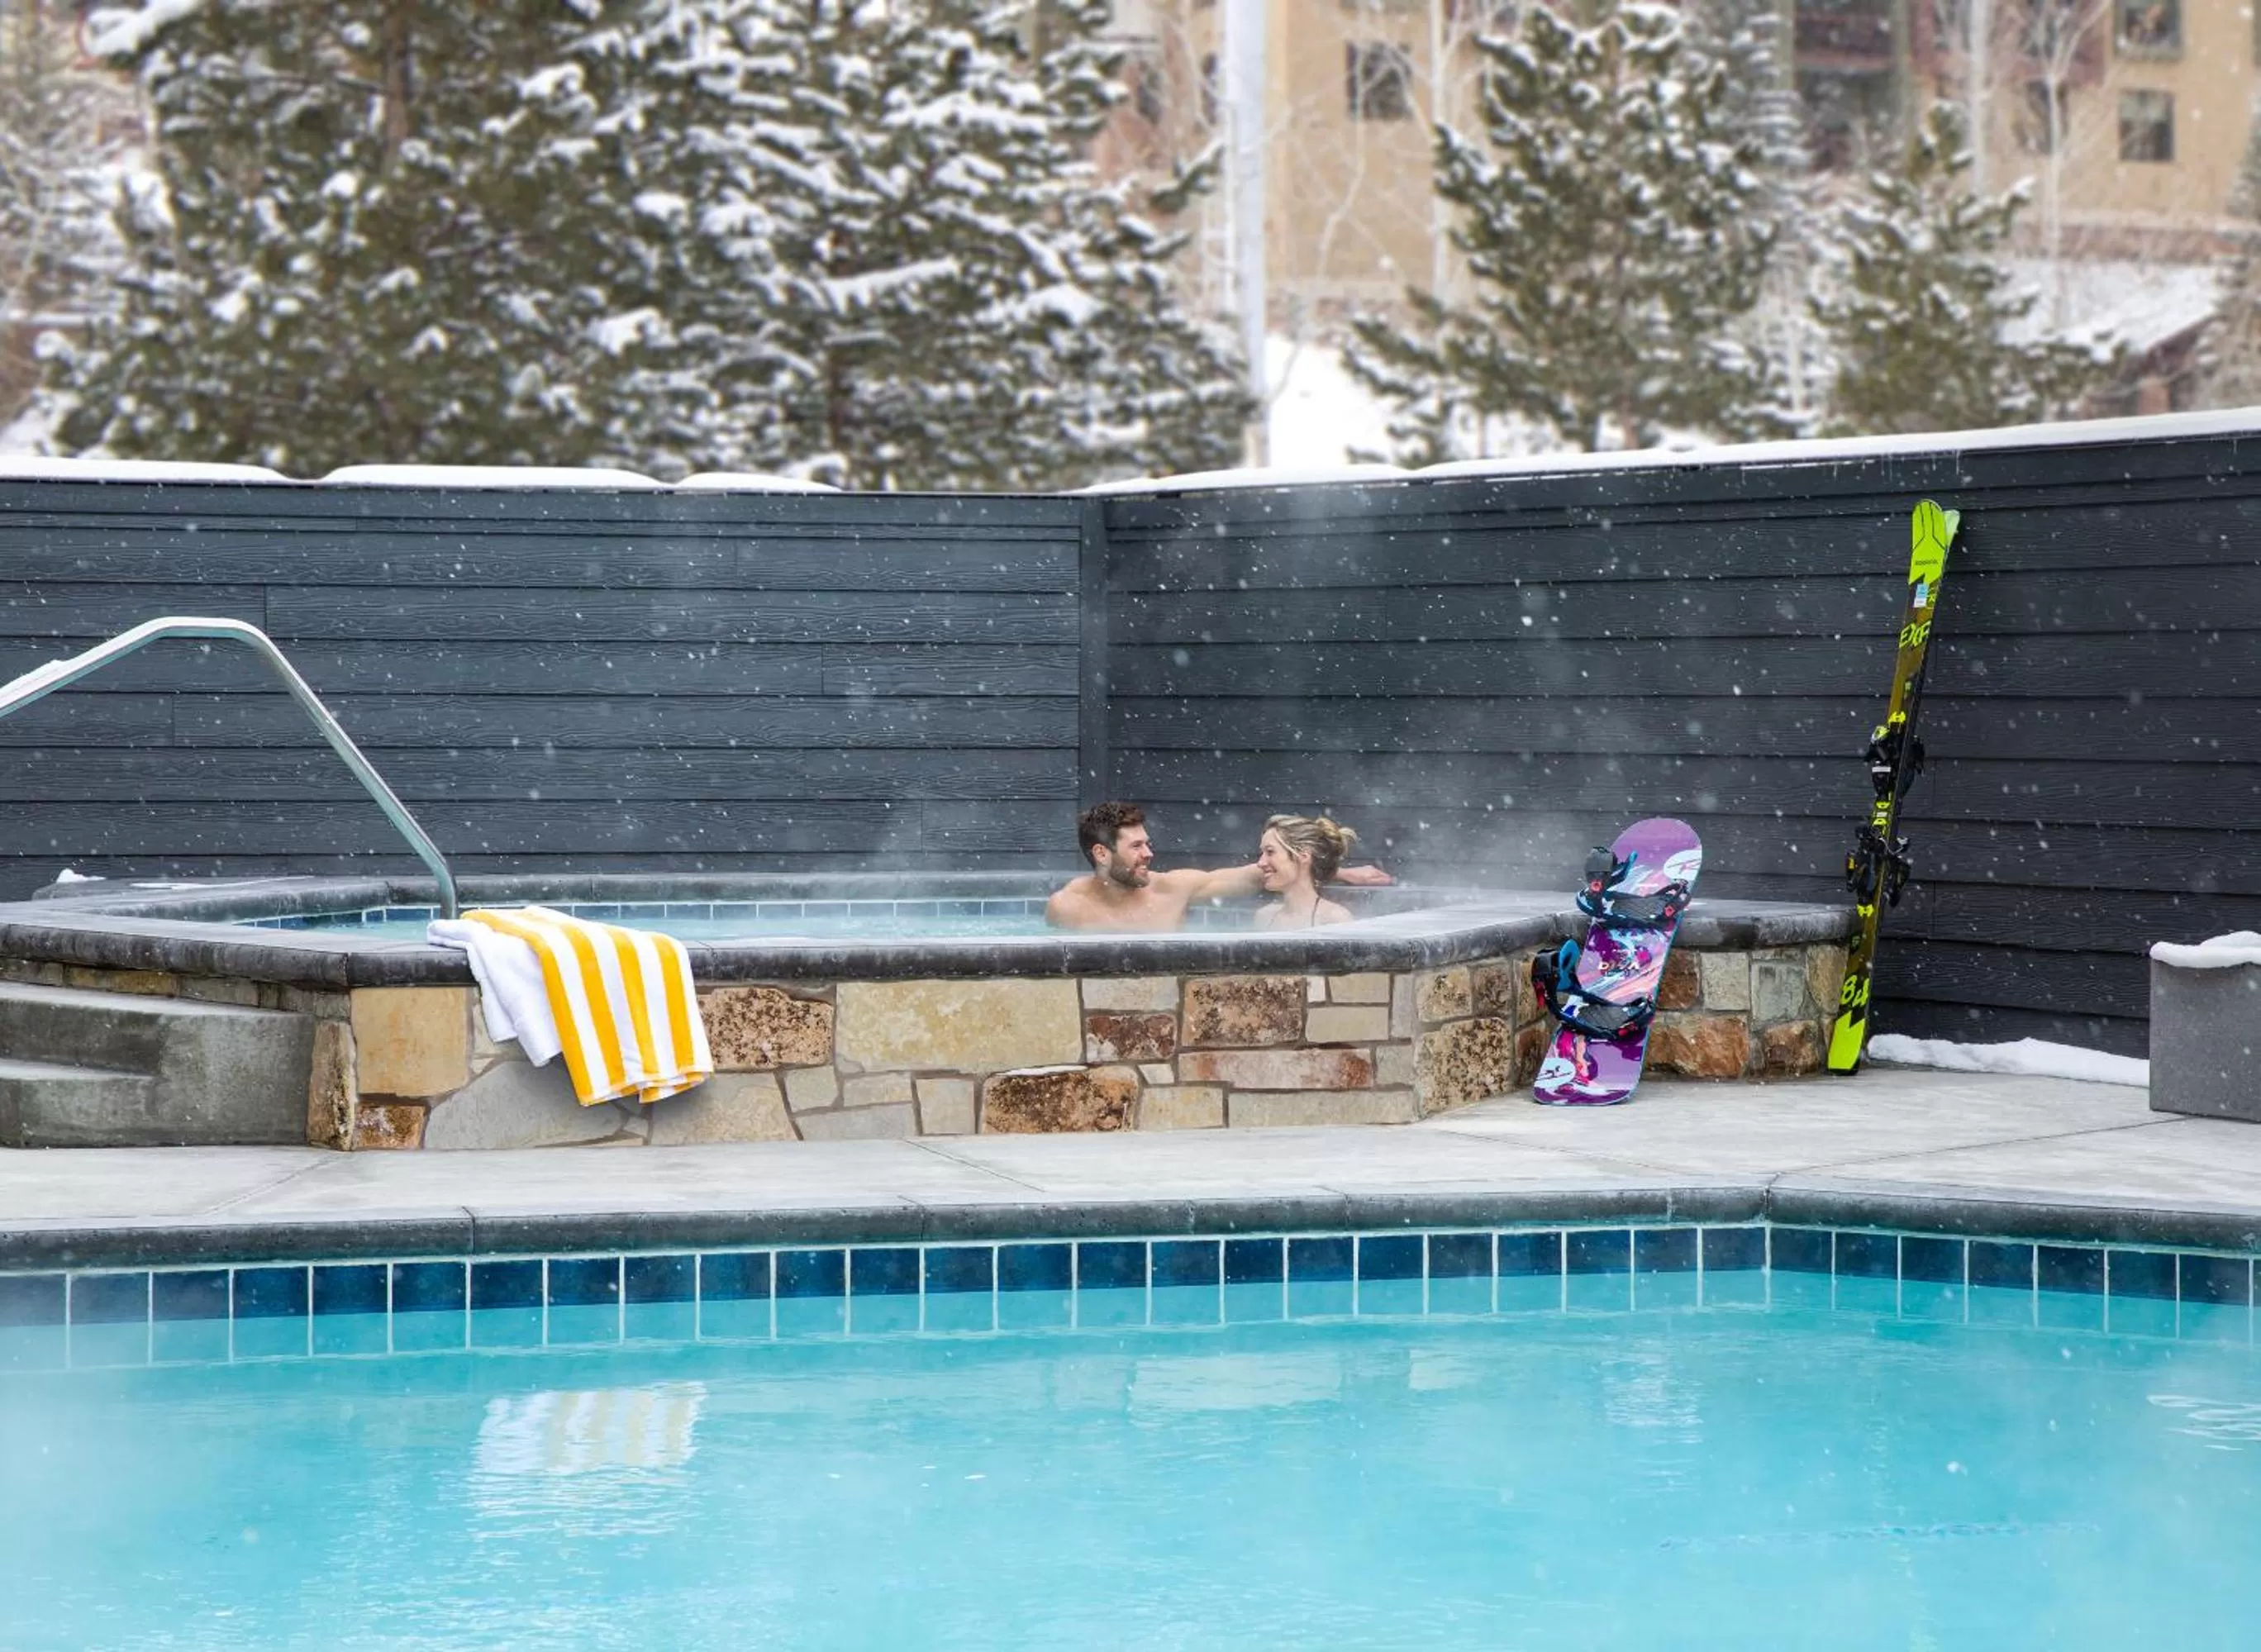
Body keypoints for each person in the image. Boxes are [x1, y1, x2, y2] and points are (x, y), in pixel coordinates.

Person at [1046, 801, 1388, 932]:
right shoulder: (1067, 908)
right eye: (1136, 846)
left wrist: (1335, 870)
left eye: (1147, 843)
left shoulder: (1173, 890)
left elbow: (1254, 875)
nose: (1149, 853)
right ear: (1102, 854)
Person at [1253, 814, 1360, 930]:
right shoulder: (1264, 917)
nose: (1261, 863)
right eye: (1262, 853)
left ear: (1303, 857)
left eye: (1270, 852)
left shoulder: (1335, 919)